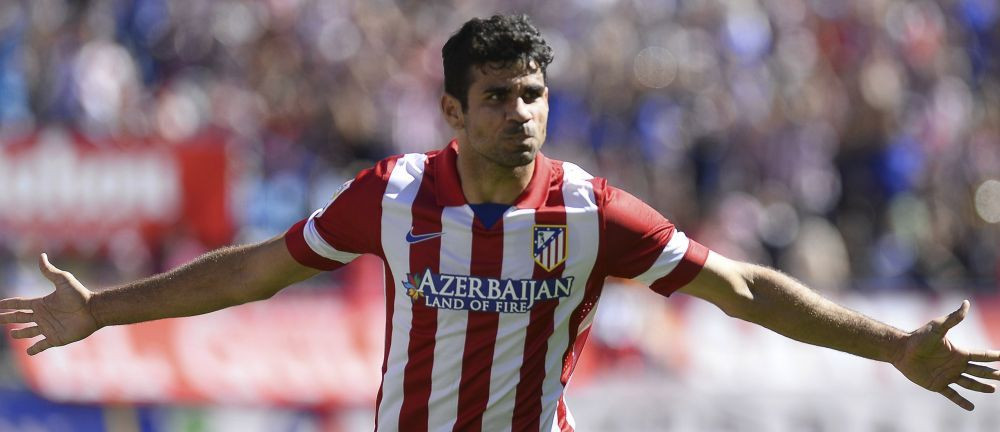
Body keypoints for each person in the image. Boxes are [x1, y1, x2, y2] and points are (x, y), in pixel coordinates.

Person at [2, 14, 998, 431]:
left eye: (532, 94)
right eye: (496, 97)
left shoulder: (590, 211)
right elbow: (254, 272)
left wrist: (891, 347)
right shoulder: (393, 195)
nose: (519, 112)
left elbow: (740, 290)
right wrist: (103, 311)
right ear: (452, 110)